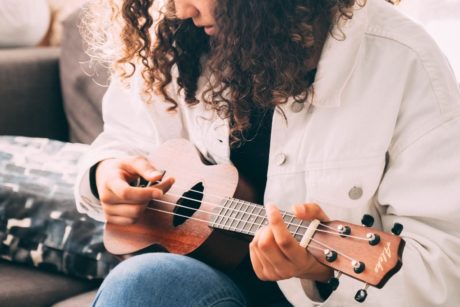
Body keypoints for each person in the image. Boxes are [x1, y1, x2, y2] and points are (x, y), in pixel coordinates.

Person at [75, 0, 460, 306]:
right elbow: (123, 139)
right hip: (204, 284)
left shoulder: (402, 62)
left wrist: (322, 273)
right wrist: (106, 173)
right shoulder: (179, 42)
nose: (180, 9)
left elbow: (445, 263)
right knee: (148, 282)